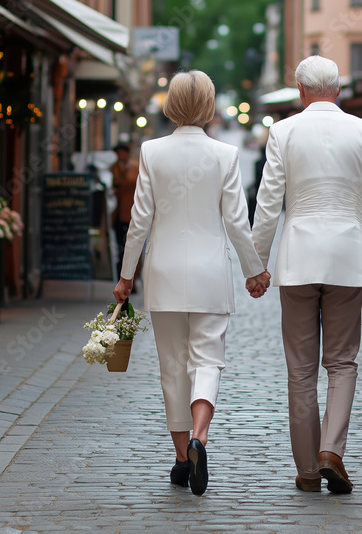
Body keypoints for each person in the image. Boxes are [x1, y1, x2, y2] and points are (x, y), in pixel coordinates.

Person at [113, 70, 271, 497]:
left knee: (171, 367)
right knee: (207, 359)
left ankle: (183, 459)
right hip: (210, 274)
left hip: (163, 272)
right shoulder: (224, 153)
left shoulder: (151, 151)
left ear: (170, 104)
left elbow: (138, 221)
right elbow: (238, 222)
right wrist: (254, 270)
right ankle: (201, 436)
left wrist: (127, 276)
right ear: (209, 106)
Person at [252, 55, 362, 494]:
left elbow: (268, 203)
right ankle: (331, 450)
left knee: (300, 371)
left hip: (297, 260)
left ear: (300, 91)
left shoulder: (282, 132)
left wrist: (257, 265)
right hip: (347, 260)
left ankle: (306, 471)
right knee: (342, 362)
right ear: (338, 91)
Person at [110, 143, 139, 285]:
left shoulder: (136, 167)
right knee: (121, 247)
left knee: (134, 248)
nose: (120, 156)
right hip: (119, 213)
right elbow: (114, 185)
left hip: (134, 213)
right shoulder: (115, 168)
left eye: (122, 153)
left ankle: (134, 278)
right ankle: (121, 278)